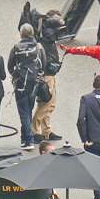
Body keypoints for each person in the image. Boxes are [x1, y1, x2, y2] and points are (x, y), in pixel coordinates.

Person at [8, 23, 45, 151]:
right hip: (34, 83)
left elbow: (10, 65)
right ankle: (24, 138)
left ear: (22, 34)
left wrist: (15, 75)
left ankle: (29, 139)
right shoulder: (38, 47)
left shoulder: (16, 47)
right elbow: (43, 63)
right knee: (28, 110)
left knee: (23, 112)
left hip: (21, 84)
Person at [30, 9, 64, 142]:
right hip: (46, 73)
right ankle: (34, 130)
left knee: (51, 104)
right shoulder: (46, 34)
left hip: (51, 73)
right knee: (45, 103)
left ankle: (46, 130)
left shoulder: (48, 33)